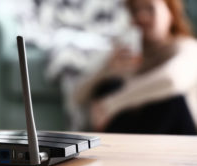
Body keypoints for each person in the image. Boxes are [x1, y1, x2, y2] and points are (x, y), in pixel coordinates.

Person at [75, 0, 197, 134]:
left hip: (180, 140)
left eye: (150, 9)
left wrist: (111, 104)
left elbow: (172, 80)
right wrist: (106, 70)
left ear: (171, 13)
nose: (141, 16)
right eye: (135, 11)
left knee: (171, 98)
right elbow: (77, 97)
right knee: (109, 87)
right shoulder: (129, 55)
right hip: (143, 134)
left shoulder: (188, 47)